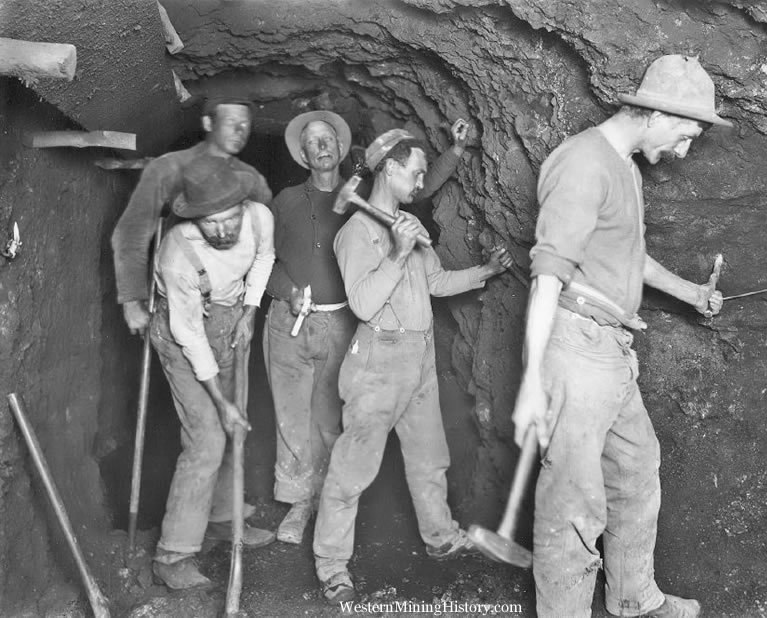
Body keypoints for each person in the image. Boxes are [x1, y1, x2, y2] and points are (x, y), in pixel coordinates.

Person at [511, 55, 729, 618]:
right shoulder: (584, 163)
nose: (683, 152)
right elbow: (548, 275)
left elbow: (630, 256)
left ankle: (634, 596)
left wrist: (689, 292)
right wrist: (533, 382)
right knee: (573, 503)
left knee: (635, 467)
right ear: (655, 112)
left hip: (610, 350)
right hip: (576, 350)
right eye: (684, 135)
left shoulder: (624, 165)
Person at [312, 128, 513, 604]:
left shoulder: (410, 224)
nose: (423, 181)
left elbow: (437, 282)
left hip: (419, 355)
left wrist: (486, 272)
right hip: (378, 359)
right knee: (352, 467)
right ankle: (331, 564)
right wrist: (398, 254)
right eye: (417, 171)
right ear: (389, 168)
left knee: (429, 456)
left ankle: (440, 536)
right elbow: (362, 303)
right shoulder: (355, 232)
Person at [266, 112, 474, 545]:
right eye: (312, 141)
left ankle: (325, 498)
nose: (322, 146)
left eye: (329, 138)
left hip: (340, 319)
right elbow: (261, 260)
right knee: (291, 416)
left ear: (343, 149)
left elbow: (418, 182)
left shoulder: (364, 192)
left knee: (329, 417)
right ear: (302, 154)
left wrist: (454, 152)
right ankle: (298, 504)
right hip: (292, 320)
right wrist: (286, 290)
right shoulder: (285, 202)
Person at [147, 156, 276, 590]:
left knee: (232, 431)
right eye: (211, 223)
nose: (223, 231)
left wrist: (252, 309)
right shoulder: (176, 252)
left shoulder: (259, 218)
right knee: (207, 436)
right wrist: (220, 403)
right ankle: (173, 554)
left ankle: (221, 519)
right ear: (192, 217)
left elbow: (264, 258)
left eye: (231, 218)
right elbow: (190, 337)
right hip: (184, 336)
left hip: (230, 319)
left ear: (245, 203)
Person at [112, 96, 272, 337]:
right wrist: (132, 300)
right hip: (178, 294)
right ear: (208, 123)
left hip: (229, 303)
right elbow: (132, 232)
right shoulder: (170, 168)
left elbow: (263, 237)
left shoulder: (251, 179)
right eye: (231, 121)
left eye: (245, 123)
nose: (240, 130)